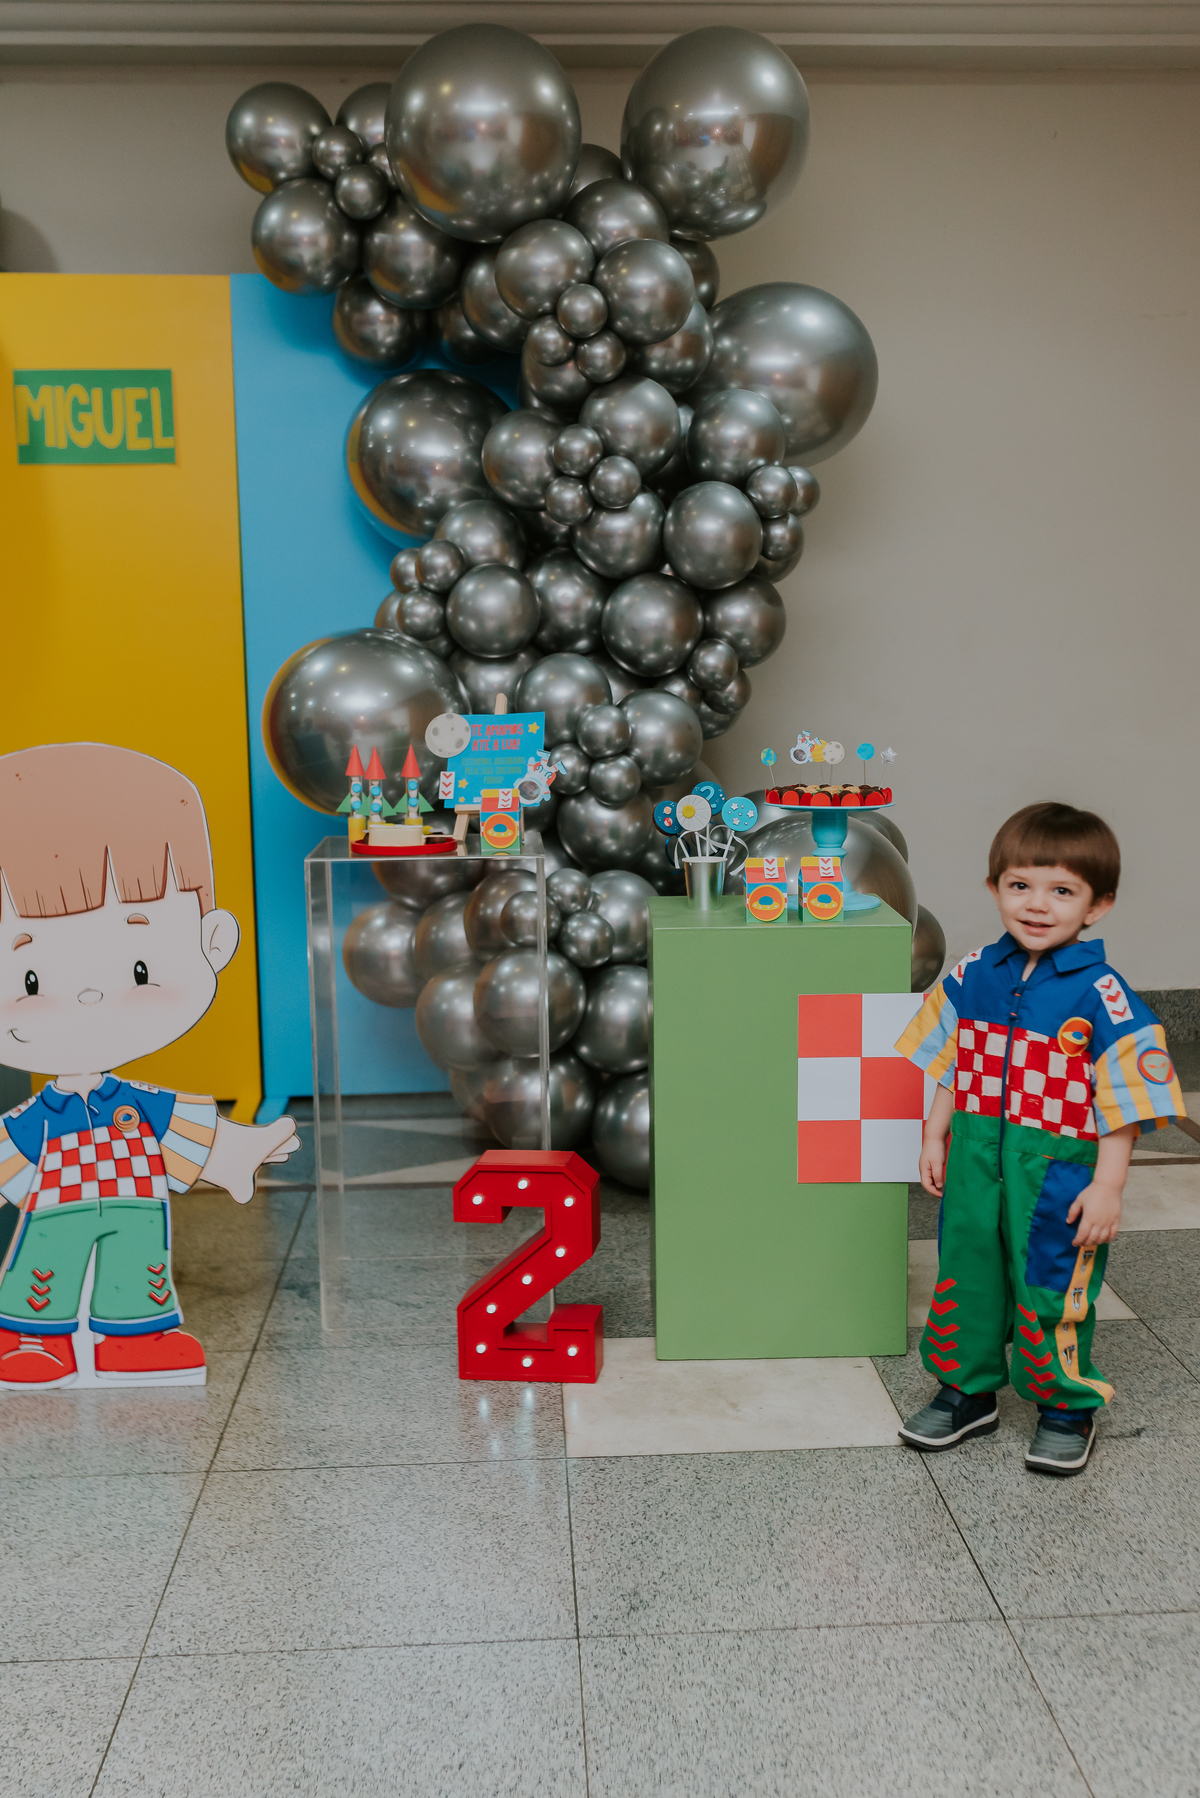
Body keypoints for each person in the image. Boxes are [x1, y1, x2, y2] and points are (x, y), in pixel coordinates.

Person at [894, 802, 1185, 1474]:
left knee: (1050, 1286)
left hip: (1054, 1172)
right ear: (994, 888)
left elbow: (1125, 1101)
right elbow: (951, 1060)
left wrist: (1109, 1185)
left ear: (1098, 905)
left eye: (1062, 891)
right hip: (975, 1156)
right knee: (967, 1273)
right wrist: (935, 1133)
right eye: (1020, 885)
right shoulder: (975, 974)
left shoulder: (1103, 996)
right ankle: (967, 1391)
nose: (1037, 905)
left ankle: (1065, 1405)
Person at [0, 743, 299, 1388]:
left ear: (212, 942)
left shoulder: (140, 1102)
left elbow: (194, 1133)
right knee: (42, 1268)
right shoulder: (41, 1115)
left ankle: (133, 1341)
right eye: (28, 973)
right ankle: (34, 1339)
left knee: (138, 1270)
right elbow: (8, 1151)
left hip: (137, 1207)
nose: (83, 995)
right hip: (56, 1208)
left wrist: (240, 1152)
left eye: (138, 967)